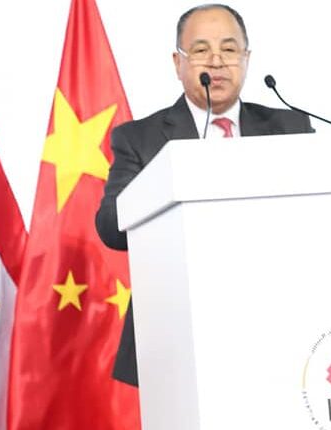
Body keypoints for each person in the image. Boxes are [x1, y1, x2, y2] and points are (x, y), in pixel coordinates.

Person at [96, 3, 314, 387]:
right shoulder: (140, 138)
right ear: (178, 63)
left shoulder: (289, 127)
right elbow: (111, 227)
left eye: (229, 49)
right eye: (200, 49)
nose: (217, 60)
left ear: (246, 59)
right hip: (177, 329)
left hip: (278, 323)